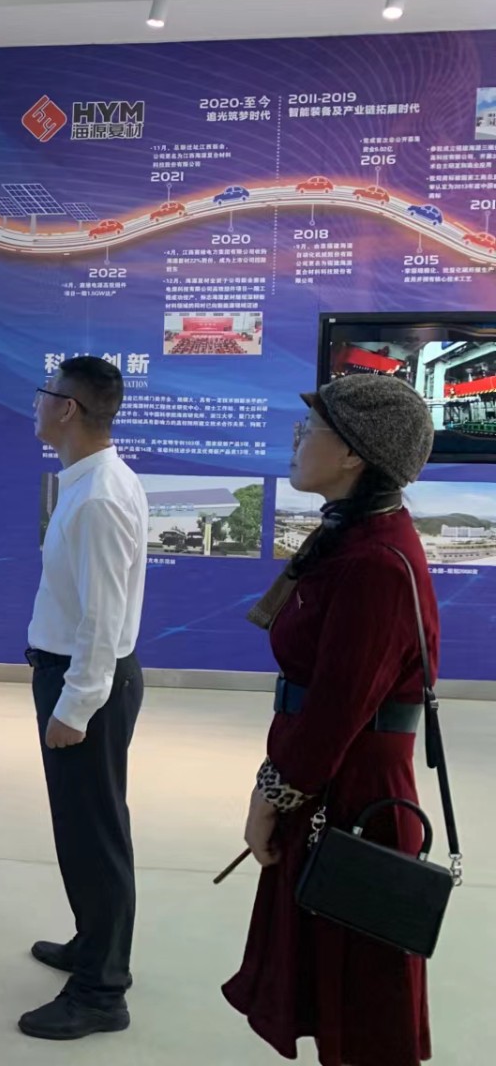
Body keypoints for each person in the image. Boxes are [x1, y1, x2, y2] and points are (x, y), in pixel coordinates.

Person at [224, 373, 438, 1066]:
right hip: (332, 788)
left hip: (352, 802)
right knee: (334, 985)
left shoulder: (374, 560)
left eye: (310, 429)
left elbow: (336, 712)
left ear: (352, 454)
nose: (295, 440)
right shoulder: (356, 536)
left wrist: (270, 796)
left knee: (359, 1001)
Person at [21, 355, 150, 1041]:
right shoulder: (93, 481)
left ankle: (102, 991)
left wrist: (74, 707)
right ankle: (92, 943)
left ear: (67, 407)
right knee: (81, 826)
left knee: (95, 834)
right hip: (79, 676)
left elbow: (103, 619)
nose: (36, 404)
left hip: (86, 684)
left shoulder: (98, 495)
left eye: (44, 394)